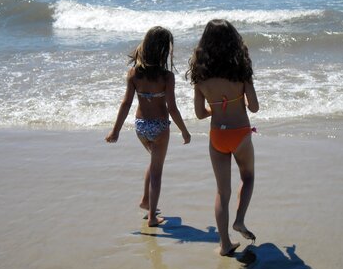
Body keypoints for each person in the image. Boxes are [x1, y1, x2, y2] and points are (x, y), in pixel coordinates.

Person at [187, 19, 259, 256]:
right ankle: (239, 219)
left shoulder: (200, 77)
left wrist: (215, 108)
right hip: (240, 134)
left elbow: (199, 114)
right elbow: (255, 107)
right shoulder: (242, 71)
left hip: (217, 135)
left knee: (222, 192)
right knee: (247, 177)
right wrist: (240, 101)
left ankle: (225, 245)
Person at [106, 26, 191, 227]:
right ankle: (152, 217)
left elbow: (126, 103)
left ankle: (146, 201)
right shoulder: (166, 77)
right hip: (160, 127)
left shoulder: (134, 73)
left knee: (154, 163)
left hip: (141, 126)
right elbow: (172, 108)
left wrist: (115, 130)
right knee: (157, 171)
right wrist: (184, 131)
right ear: (163, 51)